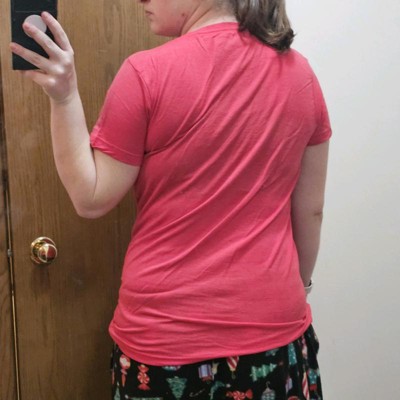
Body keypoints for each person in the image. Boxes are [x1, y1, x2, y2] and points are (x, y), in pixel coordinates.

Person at [10, 0, 331, 398]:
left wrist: (63, 98)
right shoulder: (301, 74)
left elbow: (91, 198)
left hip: (165, 340)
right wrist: (295, 288)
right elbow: (311, 211)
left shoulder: (147, 72)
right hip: (276, 332)